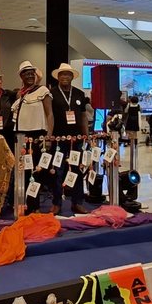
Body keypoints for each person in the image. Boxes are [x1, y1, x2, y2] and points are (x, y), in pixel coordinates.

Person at [12, 61, 53, 214]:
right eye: (26, 73)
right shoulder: (21, 93)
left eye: (32, 72)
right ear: (21, 76)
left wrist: (48, 136)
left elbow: (49, 114)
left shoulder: (43, 90)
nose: (29, 75)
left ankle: (34, 205)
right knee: (24, 171)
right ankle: (25, 203)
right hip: (22, 135)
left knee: (36, 171)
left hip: (37, 136)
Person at [48, 63, 90, 215]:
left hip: (77, 139)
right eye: (62, 74)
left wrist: (87, 135)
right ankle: (57, 203)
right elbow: (48, 116)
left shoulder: (79, 94)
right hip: (58, 140)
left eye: (68, 74)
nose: (65, 77)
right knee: (57, 172)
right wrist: (49, 136)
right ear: (58, 77)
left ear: (72, 77)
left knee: (78, 170)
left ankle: (77, 203)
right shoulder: (51, 94)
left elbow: (84, 116)